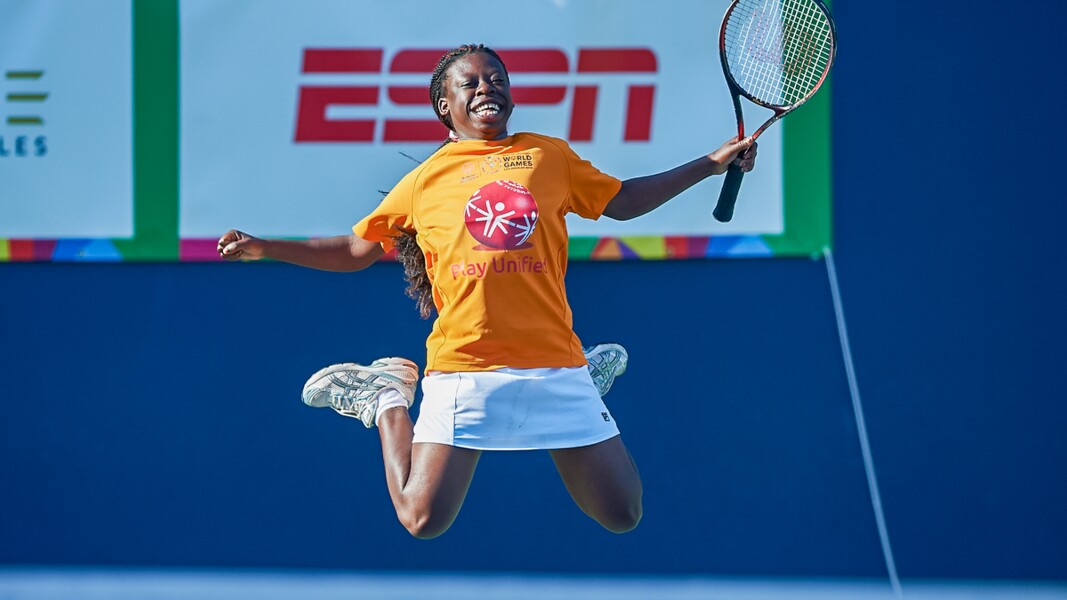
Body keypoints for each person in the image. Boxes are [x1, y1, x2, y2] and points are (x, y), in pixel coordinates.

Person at [217, 44, 757, 539]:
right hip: (465, 367)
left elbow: (624, 200)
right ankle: (385, 399)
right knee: (421, 519)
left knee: (622, 513)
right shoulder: (424, 181)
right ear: (444, 106)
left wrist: (710, 165)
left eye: (496, 79)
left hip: (553, 362)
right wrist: (266, 247)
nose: (486, 89)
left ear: (511, 96)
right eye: (469, 83)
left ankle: (587, 378)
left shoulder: (548, 156)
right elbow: (354, 250)